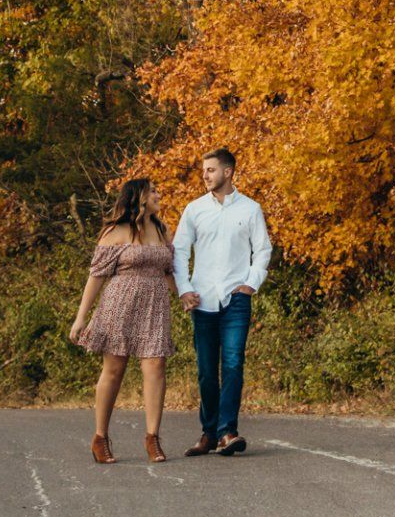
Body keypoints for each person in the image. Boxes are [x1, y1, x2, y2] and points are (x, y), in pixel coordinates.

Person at [172, 148, 272, 457]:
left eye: (211, 170)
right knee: (205, 370)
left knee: (232, 365)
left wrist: (251, 283)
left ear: (228, 172)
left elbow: (263, 249)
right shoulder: (194, 209)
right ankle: (209, 433)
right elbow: (178, 250)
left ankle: (228, 431)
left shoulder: (250, 209)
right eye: (204, 170)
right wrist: (184, 289)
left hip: (235, 300)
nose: (205, 175)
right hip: (202, 301)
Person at [69, 177, 176, 464]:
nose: (158, 194)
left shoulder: (162, 229)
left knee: (156, 365)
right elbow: (97, 277)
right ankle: (100, 438)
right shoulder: (115, 232)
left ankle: (152, 438)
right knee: (114, 369)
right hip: (120, 304)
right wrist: (81, 318)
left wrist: (185, 296)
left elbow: (169, 272)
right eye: (153, 191)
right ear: (139, 197)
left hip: (155, 305)